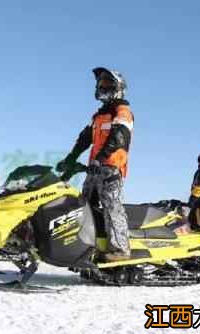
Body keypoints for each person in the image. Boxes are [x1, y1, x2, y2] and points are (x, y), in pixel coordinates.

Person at [56, 67, 134, 261]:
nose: (102, 87)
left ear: (118, 87)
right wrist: (71, 158)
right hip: (95, 168)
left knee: (111, 205)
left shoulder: (122, 112)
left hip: (111, 168)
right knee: (84, 206)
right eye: (100, 84)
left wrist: (101, 157)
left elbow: (119, 137)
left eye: (107, 84)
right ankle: (89, 245)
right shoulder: (98, 116)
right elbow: (85, 138)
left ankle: (120, 249)